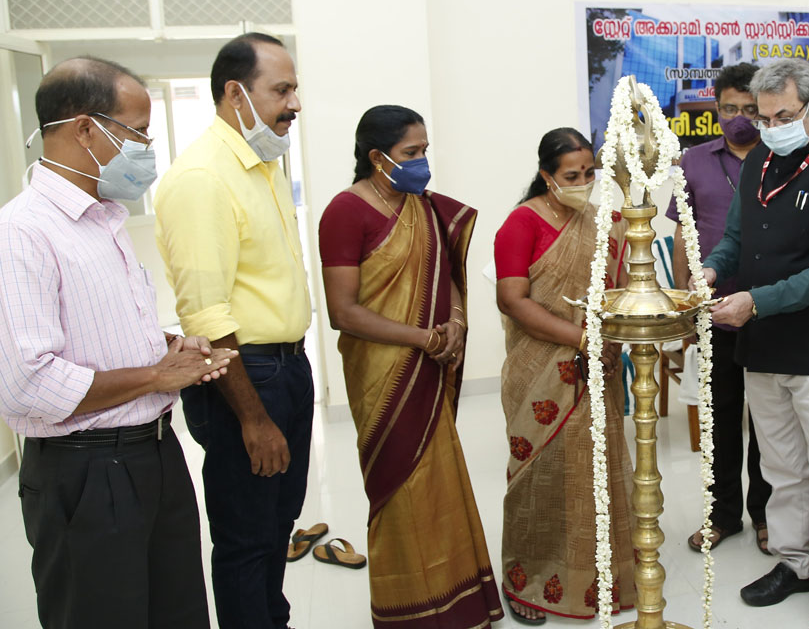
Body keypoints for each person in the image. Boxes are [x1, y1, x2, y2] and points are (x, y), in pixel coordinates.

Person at [0, 57, 236, 629]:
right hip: (87, 473)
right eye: (137, 133)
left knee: (177, 611)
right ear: (85, 128)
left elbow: (98, 329)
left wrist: (167, 348)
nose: (146, 151)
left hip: (152, 453)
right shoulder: (23, 232)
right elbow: (27, 384)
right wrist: (156, 377)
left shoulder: (104, 219)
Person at [698, 58, 809, 629]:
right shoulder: (759, 166)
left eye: (781, 115)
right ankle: (794, 564)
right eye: (761, 114)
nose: (768, 124)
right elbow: (733, 239)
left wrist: (758, 300)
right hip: (762, 347)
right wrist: (711, 270)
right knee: (782, 470)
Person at [317, 105, 504, 628]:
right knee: (399, 486)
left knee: (439, 480)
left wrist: (459, 324)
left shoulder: (424, 207)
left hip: (429, 360)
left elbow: (448, 276)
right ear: (377, 158)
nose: (422, 162)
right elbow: (343, 312)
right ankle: (410, 612)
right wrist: (423, 337)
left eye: (424, 151)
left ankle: (460, 598)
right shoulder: (345, 212)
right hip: (383, 372)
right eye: (410, 153)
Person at [154, 33, 313, 629]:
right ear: (235, 93)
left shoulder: (262, 164)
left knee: (276, 526)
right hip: (245, 375)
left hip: (286, 366)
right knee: (247, 537)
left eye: (294, 87)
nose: (294, 103)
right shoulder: (203, 178)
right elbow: (206, 314)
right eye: (282, 89)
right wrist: (251, 417)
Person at [494, 128, 637, 624]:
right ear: (546, 176)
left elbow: (620, 288)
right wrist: (578, 338)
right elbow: (512, 300)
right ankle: (527, 580)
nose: (583, 183)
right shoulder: (521, 223)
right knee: (541, 478)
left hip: (598, 366)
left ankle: (601, 576)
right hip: (540, 371)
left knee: (594, 472)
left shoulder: (602, 223)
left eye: (589, 174)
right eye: (571, 176)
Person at [666, 62, 773, 555]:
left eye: (750, 109)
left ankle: (769, 515)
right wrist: (685, 303)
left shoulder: (781, 157)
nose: (739, 118)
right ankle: (723, 515)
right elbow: (682, 235)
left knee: (771, 424)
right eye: (729, 108)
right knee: (720, 420)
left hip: (770, 311)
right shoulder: (694, 161)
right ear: (715, 108)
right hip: (711, 312)